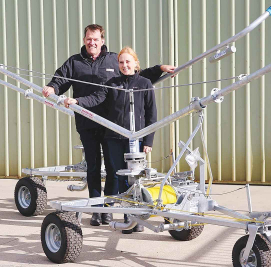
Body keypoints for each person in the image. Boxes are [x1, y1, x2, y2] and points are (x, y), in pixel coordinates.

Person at [42, 24, 175, 227]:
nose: (92, 42)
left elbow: (136, 76)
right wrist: (52, 87)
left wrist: (159, 69)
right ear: (84, 39)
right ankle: (97, 209)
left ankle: (110, 206)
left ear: (102, 40)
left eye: (95, 39)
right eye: (88, 39)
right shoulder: (75, 62)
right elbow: (61, 79)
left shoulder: (114, 59)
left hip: (112, 125)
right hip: (87, 122)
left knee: (115, 170)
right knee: (93, 166)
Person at [77, 46, 157, 234]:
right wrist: (78, 102)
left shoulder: (145, 83)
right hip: (113, 137)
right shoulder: (112, 83)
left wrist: (148, 141)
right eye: (121, 62)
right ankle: (123, 214)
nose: (124, 65)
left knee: (133, 178)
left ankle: (133, 217)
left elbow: (151, 115)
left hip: (135, 139)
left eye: (128, 62)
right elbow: (96, 98)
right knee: (116, 174)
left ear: (136, 63)